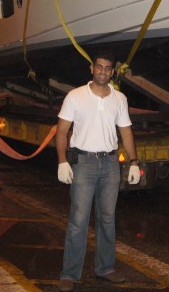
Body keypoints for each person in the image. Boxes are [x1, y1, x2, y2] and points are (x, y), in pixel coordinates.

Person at [56, 53, 140, 292]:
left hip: (110, 164)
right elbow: (62, 131)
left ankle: (106, 268)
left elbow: (126, 132)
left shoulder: (119, 99)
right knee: (78, 221)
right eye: (99, 67)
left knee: (107, 219)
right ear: (91, 68)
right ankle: (70, 274)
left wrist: (134, 162)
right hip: (83, 164)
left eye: (108, 68)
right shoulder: (75, 96)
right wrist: (62, 161)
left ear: (112, 72)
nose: (103, 72)